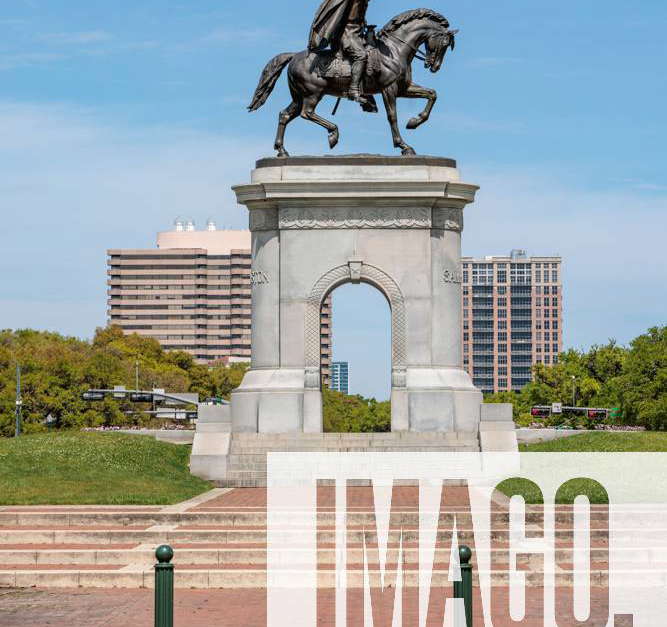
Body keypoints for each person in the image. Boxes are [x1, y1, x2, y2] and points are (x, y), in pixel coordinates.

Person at [309, 0, 371, 104]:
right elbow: (338, 18)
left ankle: (366, 89)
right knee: (361, 56)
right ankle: (353, 90)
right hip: (347, 34)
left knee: (373, 53)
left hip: (357, 33)